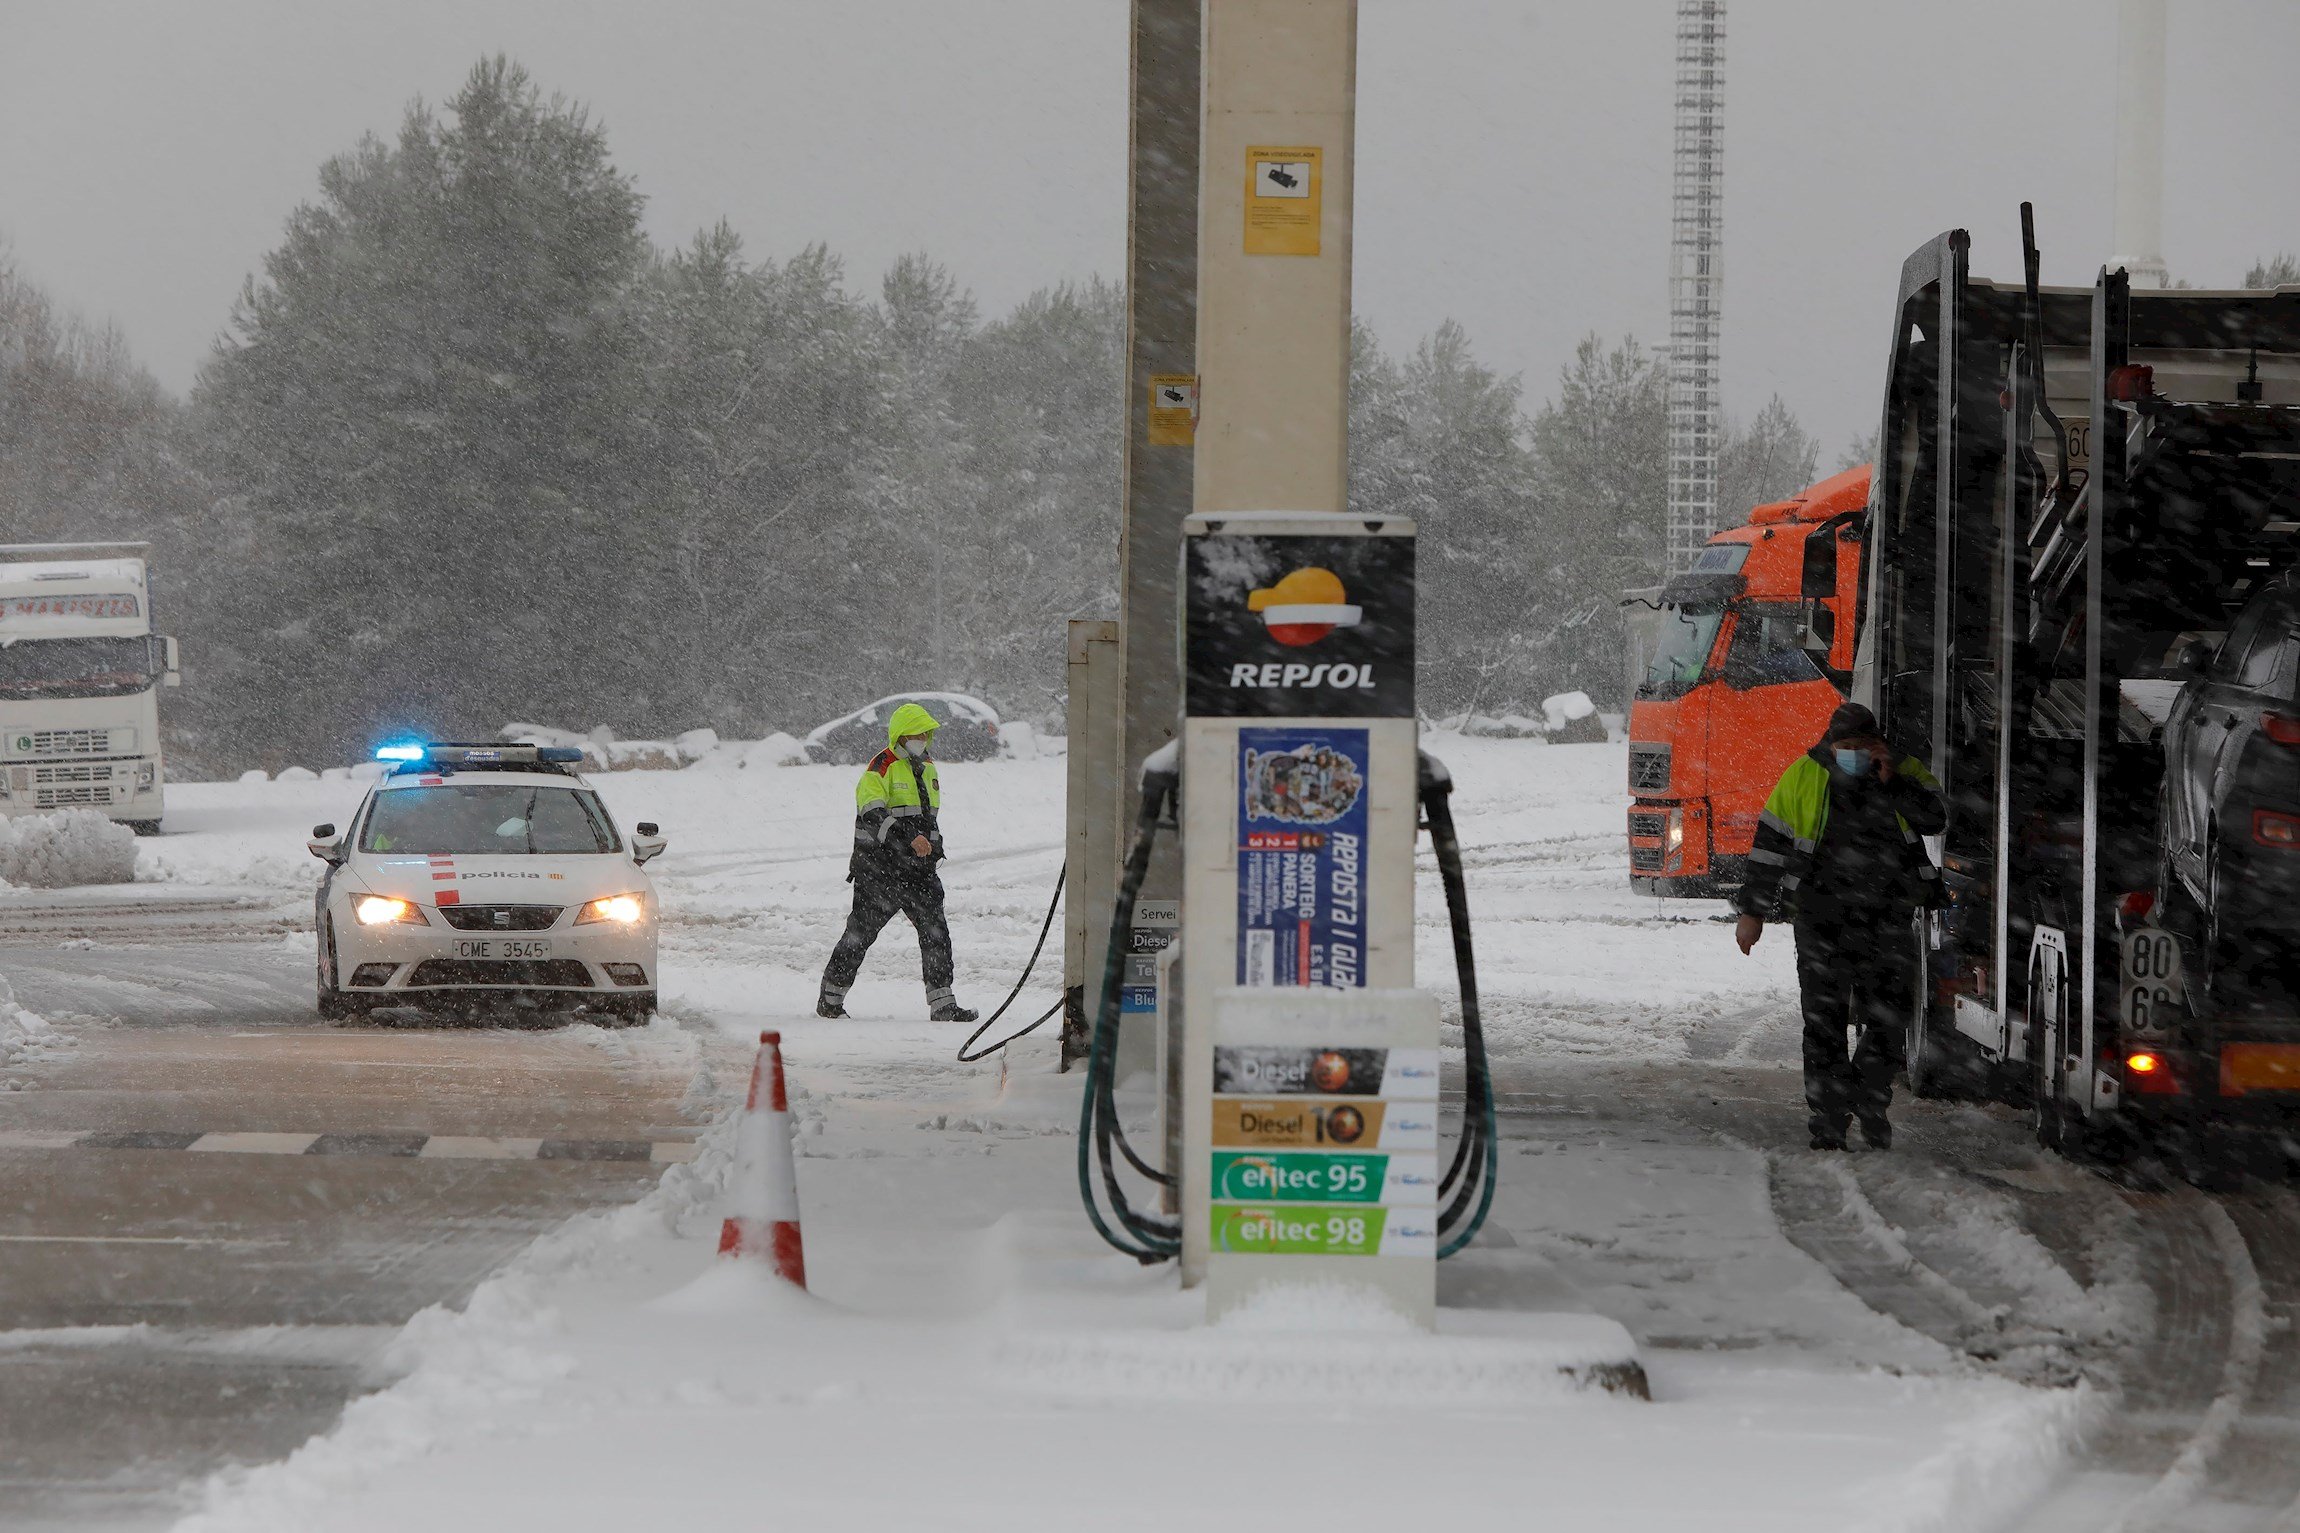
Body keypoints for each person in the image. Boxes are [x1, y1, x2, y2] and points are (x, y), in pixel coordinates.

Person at [1733, 702, 1946, 1151]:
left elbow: (1936, 818)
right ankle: (1828, 1120)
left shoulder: (1904, 771)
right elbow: (1768, 848)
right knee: (1824, 1022)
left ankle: (1870, 1096)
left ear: (1877, 745)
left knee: (1890, 1018)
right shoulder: (1803, 775)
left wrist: (1896, 783)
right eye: (1844, 747)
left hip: (1886, 917)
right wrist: (1752, 913)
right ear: (1831, 744)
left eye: (1861, 747)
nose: (1852, 754)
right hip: (1820, 918)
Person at [817, 702, 978, 1023]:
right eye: (918, 733)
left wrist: (934, 844)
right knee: (859, 935)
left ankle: (943, 1005)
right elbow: (873, 813)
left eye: (927, 733)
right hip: (879, 871)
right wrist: (908, 840)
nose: (924, 738)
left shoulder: (927, 767)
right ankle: (830, 1000)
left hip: (918, 872)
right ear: (901, 736)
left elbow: (928, 815)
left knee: (936, 934)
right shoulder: (880, 768)